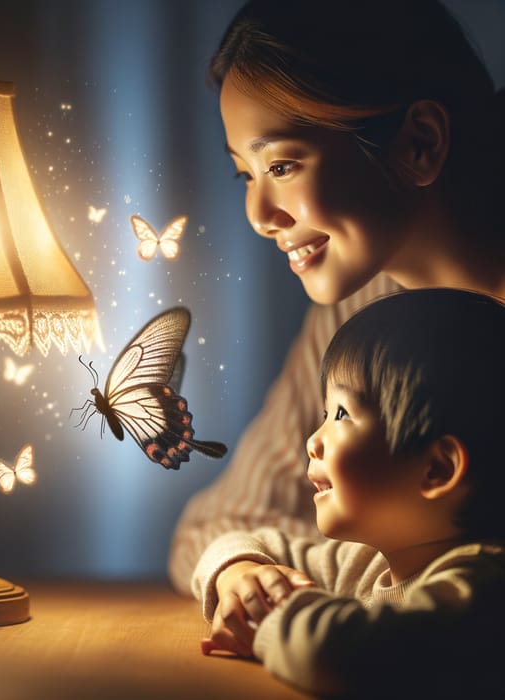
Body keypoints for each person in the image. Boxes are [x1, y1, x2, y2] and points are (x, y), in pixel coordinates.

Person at [168, 0, 505, 594]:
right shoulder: (359, 311)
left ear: (419, 142)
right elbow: (224, 520)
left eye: (283, 165)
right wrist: (245, 574)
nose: (259, 216)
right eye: (245, 175)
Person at [193, 288, 505, 698]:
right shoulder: (366, 563)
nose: (312, 440)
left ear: (436, 469)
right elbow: (241, 541)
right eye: (325, 414)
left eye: (341, 414)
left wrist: (265, 618)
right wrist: (243, 574)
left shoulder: (483, 587)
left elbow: (342, 653)